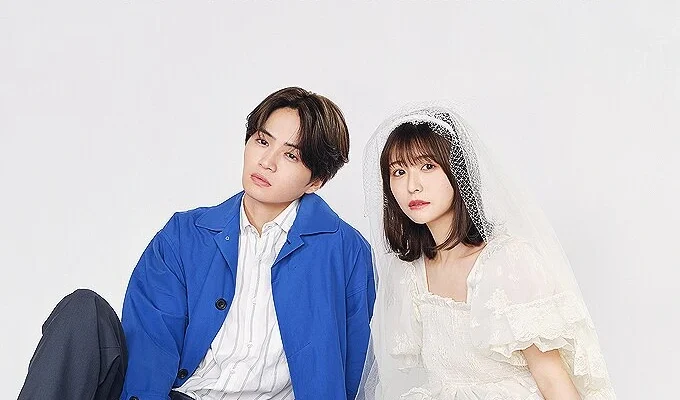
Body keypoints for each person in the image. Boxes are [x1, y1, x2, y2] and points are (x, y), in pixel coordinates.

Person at [18, 87, 375, 400]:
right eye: (262, 141)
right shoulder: (184, 235)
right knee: (83, 310)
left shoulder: (347, 253)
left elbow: (356, 370)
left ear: (316, 181)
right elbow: (151, 343)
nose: (266, 162)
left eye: (290, 155)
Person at [356, 104, 615, 400]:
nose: (412, 186)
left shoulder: (507, 262)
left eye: (428, 166)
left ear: (457, 171)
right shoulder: (409, 273)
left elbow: (552, 379)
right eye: (399, 171)